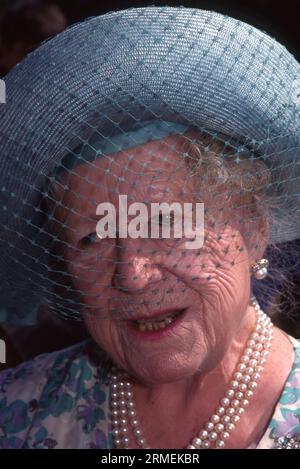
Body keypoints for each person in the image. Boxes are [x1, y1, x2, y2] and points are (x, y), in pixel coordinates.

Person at [0, 6, 299, 450]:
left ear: (252, 228)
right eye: (93, 237)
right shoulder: (16, 414)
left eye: (165, 221)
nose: (132, 275)